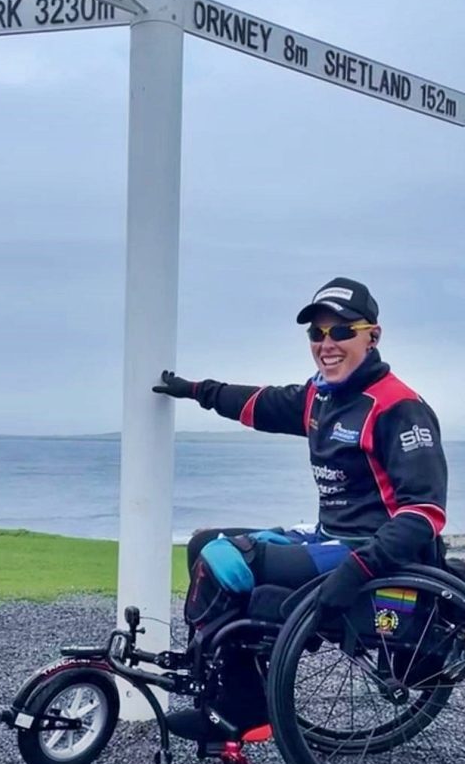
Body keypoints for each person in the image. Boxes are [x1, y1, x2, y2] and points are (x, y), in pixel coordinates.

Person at [152, 276, 448, 740]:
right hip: (330, 537)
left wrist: (357, 568)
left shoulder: (398, 407)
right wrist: (195, 390)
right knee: (204, 544)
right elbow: (258, 402)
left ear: (373, 336)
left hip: (371, 552)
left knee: (227, 559)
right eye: (317, 333)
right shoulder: (321, 397)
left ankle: (237, 709)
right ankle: (238, 694)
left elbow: (424, 515)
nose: (327, 344)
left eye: (342, 331)